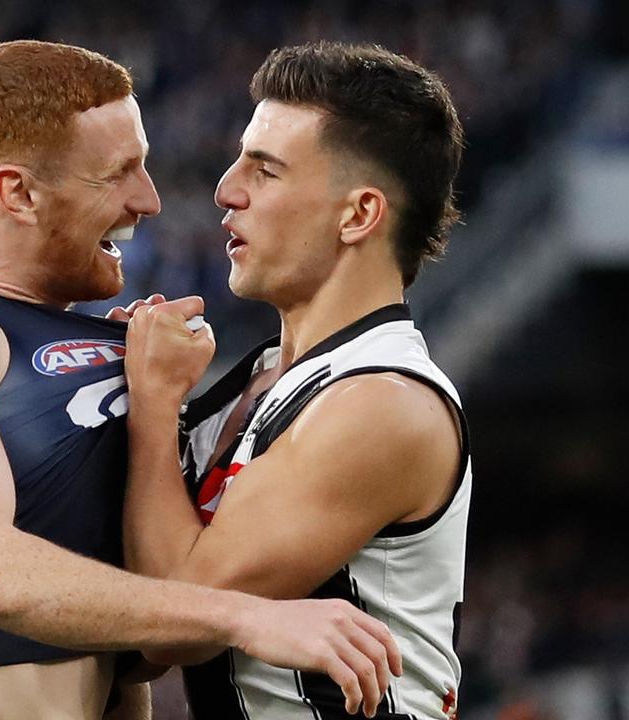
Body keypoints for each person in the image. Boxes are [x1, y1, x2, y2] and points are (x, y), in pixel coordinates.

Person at [0, 40, 402, 720]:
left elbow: (140, 645)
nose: (151, 200)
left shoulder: (127, 355)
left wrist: (158, 406)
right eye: (118, 173)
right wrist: (247, 617)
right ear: (18, 192)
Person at [120, 41, 470, 719]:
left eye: (266, 170)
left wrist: (155, 405)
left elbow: (177, 617)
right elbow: (137, 639)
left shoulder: (382, 402)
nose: (227, 189)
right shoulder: (259, 382)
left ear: (359, 215)